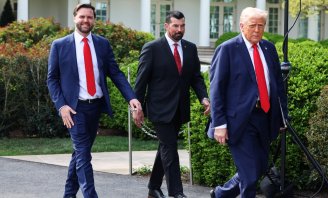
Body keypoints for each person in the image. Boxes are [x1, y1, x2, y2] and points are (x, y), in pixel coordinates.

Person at [47, 3, 143, 198]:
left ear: (94, 20)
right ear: (74, 18)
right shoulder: (60, 45)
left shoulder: (102, 44)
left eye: (89, 17)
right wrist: (61, 106)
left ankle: (68, 195)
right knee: (83, 155)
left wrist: (131, 97)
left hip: (96, 107)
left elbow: (115, 73)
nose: (85, 21)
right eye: (82, 17)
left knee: (79, 155)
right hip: (74, 109)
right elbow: (52, 79)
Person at [207, 7, 288, 198]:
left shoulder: (268, 48)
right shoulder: (227, 49)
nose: (257, 30)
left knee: (258, 168)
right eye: (253, 25)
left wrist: (283, 116)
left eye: (261, 26)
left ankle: (221, 194)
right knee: (250, 176)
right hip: (239, 121)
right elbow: (216, 90)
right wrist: (219, 124)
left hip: (265, 117)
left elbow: (277, 85)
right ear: (242, 26)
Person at [134, 10, 210, 198]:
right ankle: (177, 193)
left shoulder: (190, 48)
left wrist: (204, 98)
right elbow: (141, 81)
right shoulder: (152, 48)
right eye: (175, 26)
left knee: (166, 146)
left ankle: (153, 187)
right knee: (170, 148)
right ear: (166, 26)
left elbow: (196, 78)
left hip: (179, 108)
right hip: (159, 109)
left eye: (182, 26)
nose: (179, 29)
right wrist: (136, 107)